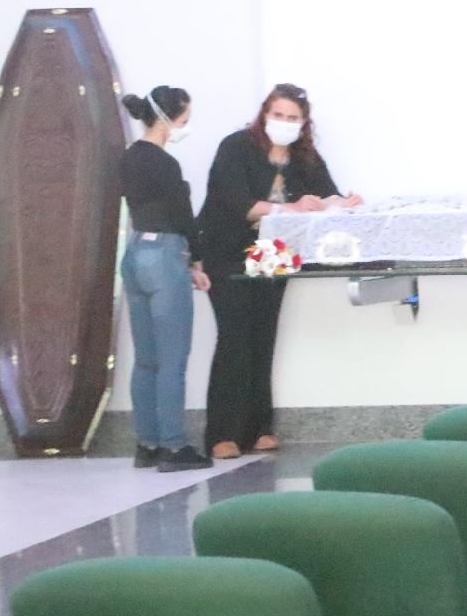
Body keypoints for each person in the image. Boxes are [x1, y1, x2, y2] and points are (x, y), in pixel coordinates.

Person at [197, 83, 361, 459]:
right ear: (264, 115)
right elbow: (237, 202)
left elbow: (323, 195)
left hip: (274, 249)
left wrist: (343, 202)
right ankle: (222, 433)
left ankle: (259, 428)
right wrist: (292, 208)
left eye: (292, 118)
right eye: (278, 115)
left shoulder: (304, 156)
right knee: (234, 337)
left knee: (264, 334)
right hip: (228, 250)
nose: (284, 123)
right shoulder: (236, 147)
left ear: (303, 123)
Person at [118, 86, 214, 472]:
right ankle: (174, 446)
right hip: (165, 256)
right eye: (185, 120)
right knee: (173, 359)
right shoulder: (165, 164)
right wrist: (197, 261)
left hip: (136, 252)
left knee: (146, 360)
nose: (185, 127)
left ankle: (147, 444)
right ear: (168, 118)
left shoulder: (127, 159)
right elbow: (183, 217)